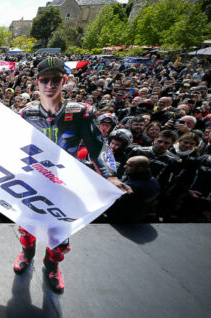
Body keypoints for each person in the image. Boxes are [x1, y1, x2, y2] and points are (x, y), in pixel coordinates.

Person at [16, 57, 131, 293]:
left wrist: (110, 176)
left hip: (65, 184)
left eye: (55, 79)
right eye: (44, 80)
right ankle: (26, 255)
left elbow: (98, 146)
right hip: (33, 181)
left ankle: (52, 267)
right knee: (26, 228)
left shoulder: (81, 112)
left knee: (59, 236)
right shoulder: (26, 113)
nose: (50, 85)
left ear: (64, 80)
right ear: (37, 83)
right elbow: (12, 145)